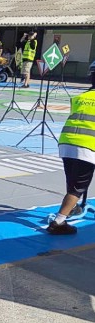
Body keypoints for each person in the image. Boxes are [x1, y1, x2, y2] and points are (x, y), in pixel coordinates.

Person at [50, 71, 95, 235]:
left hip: (67, 142)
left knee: (72, 181)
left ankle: (72, 207)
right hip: (87, 145)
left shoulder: (80, 97)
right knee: (77, 188)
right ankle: (58, 221)